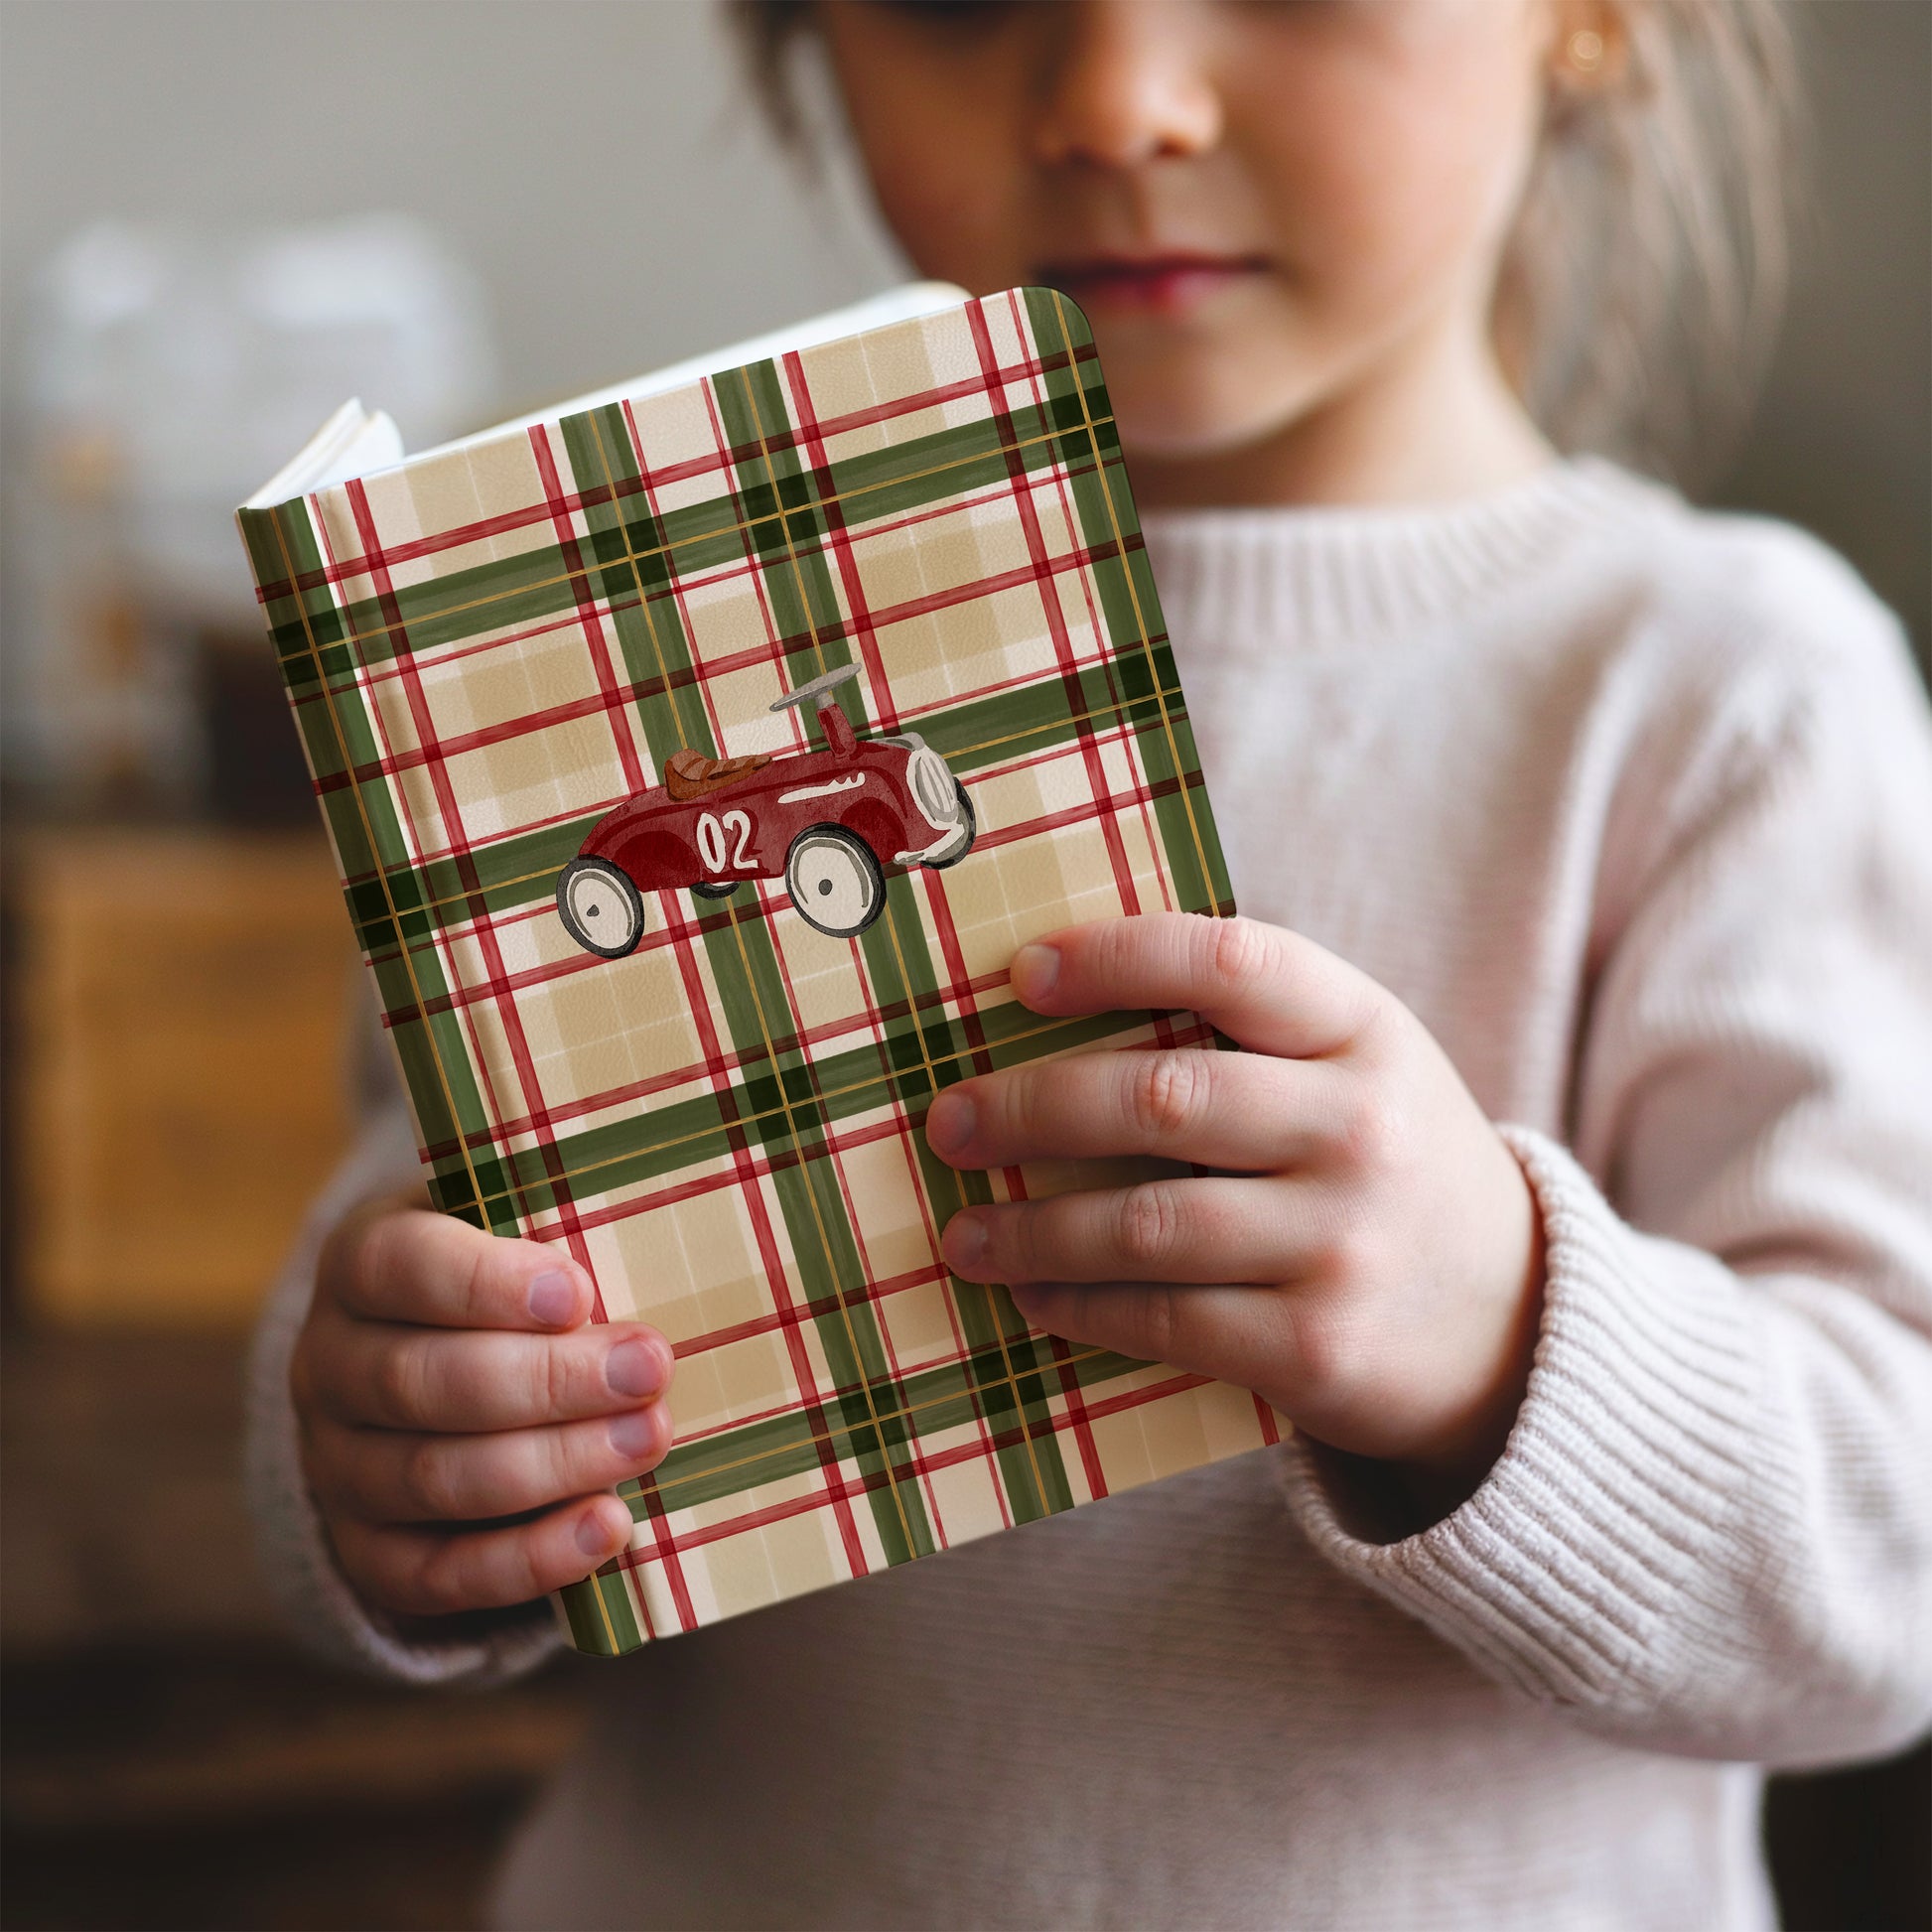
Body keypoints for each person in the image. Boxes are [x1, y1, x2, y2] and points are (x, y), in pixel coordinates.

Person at [247, 2, 1932, 1924]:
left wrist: (1500, 1332)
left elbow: (1894, 1571)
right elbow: (409, 1256)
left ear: (1590, 24)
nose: (1117, 101)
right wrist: (388, 1461)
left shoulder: (1723, 695)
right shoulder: (653, 635)